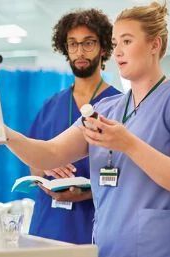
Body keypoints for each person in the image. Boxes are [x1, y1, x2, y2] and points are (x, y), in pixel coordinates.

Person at [4, 2, 170, 257]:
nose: (119, 51)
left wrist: (128, 144)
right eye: (116, 43)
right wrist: (2, 133)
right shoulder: (107, 109)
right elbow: (49, 154)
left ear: (154, 45)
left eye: (127, 41)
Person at [27, 9, 121, 244]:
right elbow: (33, 166)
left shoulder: (120, 105)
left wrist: (88, 193)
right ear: (65, 48)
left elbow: (131, 176)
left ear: (103, 48)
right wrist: (46, 171)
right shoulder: (51, 105)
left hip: (96, 227)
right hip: (48, 226)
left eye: (88, 43)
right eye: (73, 44)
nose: (80, 52)